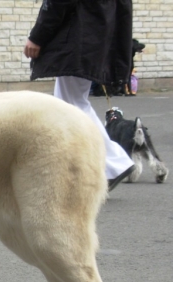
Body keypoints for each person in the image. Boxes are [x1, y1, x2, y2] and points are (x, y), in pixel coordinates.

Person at [23, 0, 136, 191]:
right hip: (91, 38)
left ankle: (113, 163)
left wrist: (37, 37)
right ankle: (87, 169)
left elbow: (57, 4)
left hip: (77, 40)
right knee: (69, 105)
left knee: (72, 106)